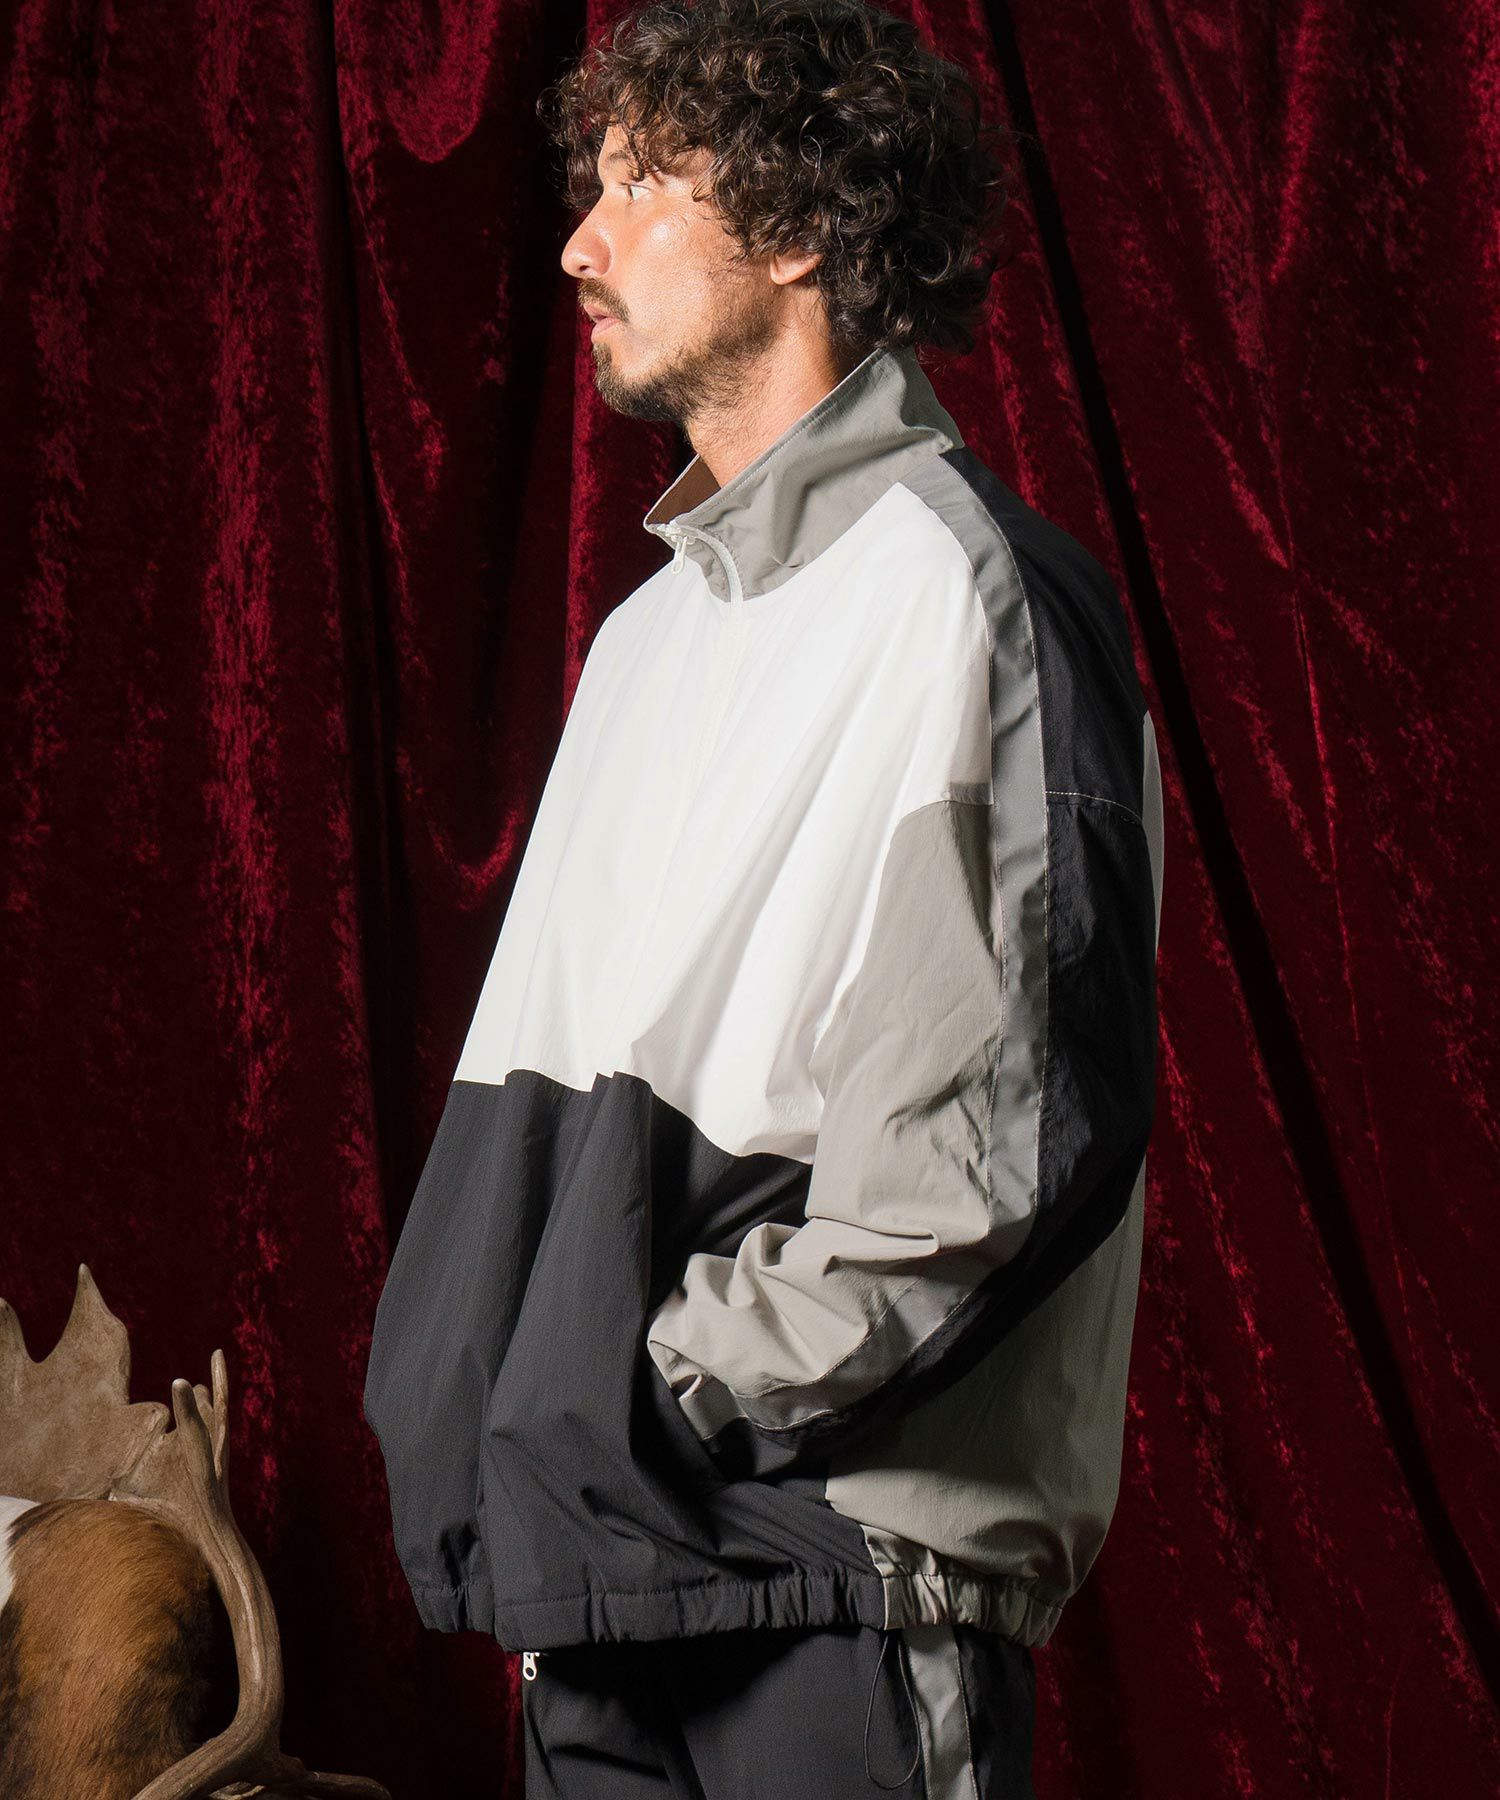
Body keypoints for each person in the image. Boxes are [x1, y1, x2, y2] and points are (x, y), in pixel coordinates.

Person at [362, 1, 1165, 1793]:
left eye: (641, 184)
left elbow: (994, 1161)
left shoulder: (966, 593)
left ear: (800, 228)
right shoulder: (644, 644)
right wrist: (545, 1441)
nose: (578, 244)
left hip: (834, 1594)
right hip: (599, 1588)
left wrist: (645, 1398)